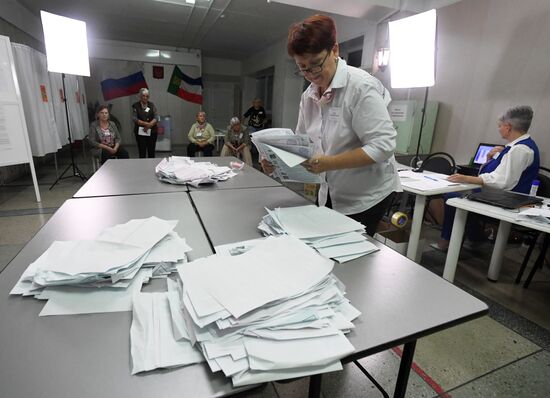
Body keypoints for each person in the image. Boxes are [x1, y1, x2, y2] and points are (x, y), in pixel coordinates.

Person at [261, 14, 400, 236]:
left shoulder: (360, 87)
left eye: (315, 65)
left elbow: (383, 146)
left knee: (351, 255)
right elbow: (302, 144)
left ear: (334, 50)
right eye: (302, 68)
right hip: (330, 191)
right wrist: (276, 163)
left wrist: (329, 163)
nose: (310, 74)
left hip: (366, 195)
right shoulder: (309, 96)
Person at [433, 105, 540, 251]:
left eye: (500, 126)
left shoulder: (520, 150)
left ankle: (450, 239)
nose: (499, 129)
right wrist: (490, 158)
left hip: (510, 199)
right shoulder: (512, 148)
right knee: (456, 195)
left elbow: (502, 181)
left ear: (508, 127)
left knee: (453, 197)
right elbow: (496, 173)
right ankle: (475, 236)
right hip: (500, 193)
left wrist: (466, 178)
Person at [132, 88, 158, 158]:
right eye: (143, 96)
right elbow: (134, 118)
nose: (145, 98)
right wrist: (146, 124)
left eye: (147, 96)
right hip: (140, 132)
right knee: (142, 152)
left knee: (151, 152)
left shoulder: (151, 105)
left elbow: (156, 117)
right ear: (140, 96)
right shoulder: (136, 105)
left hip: (152, 132)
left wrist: (149, 125)